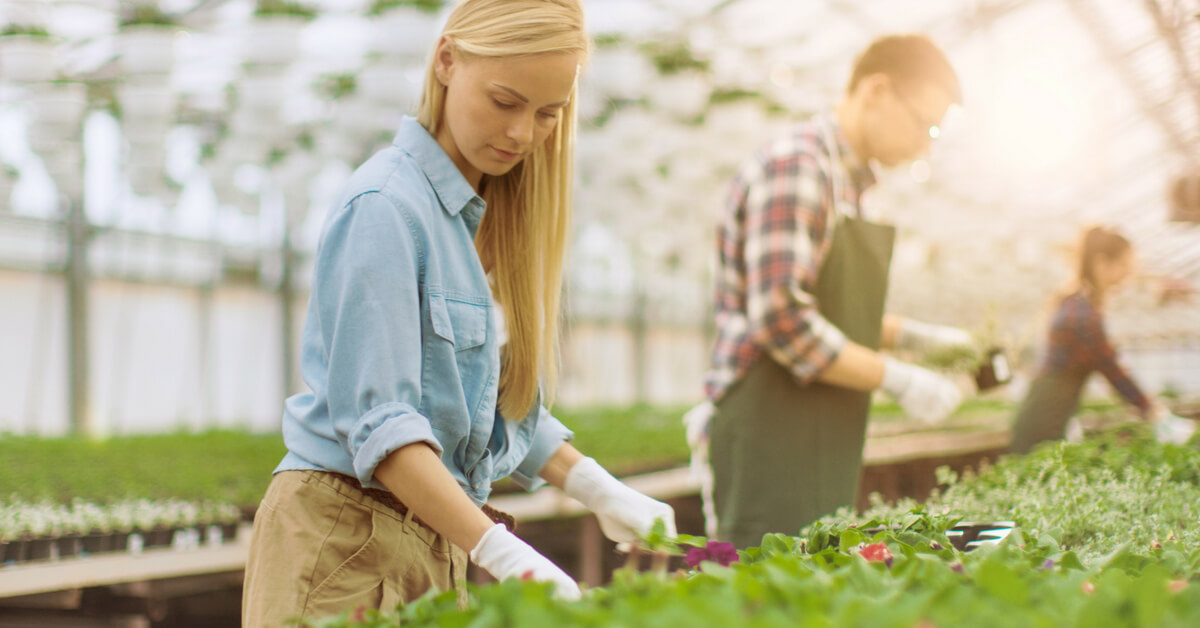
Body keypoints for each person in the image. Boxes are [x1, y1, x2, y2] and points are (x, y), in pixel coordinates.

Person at [242, 1, 676, 623]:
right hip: (344, 541)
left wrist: (596, 486)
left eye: (548, 114)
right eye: (505, 102)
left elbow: (475, 407)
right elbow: (384, 429)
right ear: (446, 61)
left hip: (429, 536)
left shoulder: (479, 220)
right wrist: (500, 548)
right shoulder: (385, 208)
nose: (523, 133)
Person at [701, 34, 974, 550]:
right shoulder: (800, 166)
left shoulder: (845, 184)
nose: (926, 143)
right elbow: (783, 320)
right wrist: (898, 379)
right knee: (766, 588)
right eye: (925, 123)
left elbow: (831, 313)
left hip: (811, 430)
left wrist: (917, 339)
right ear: (877, 90)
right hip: (770, 430)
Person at [1009, 226, 1195, 453]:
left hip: (1048, 411)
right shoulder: (1081, 316)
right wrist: (1152, 410)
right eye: (1124, 266)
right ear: (1101, 264)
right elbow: (1111, 368)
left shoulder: (1078, 304)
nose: (1127, 275)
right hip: (1044, 418)